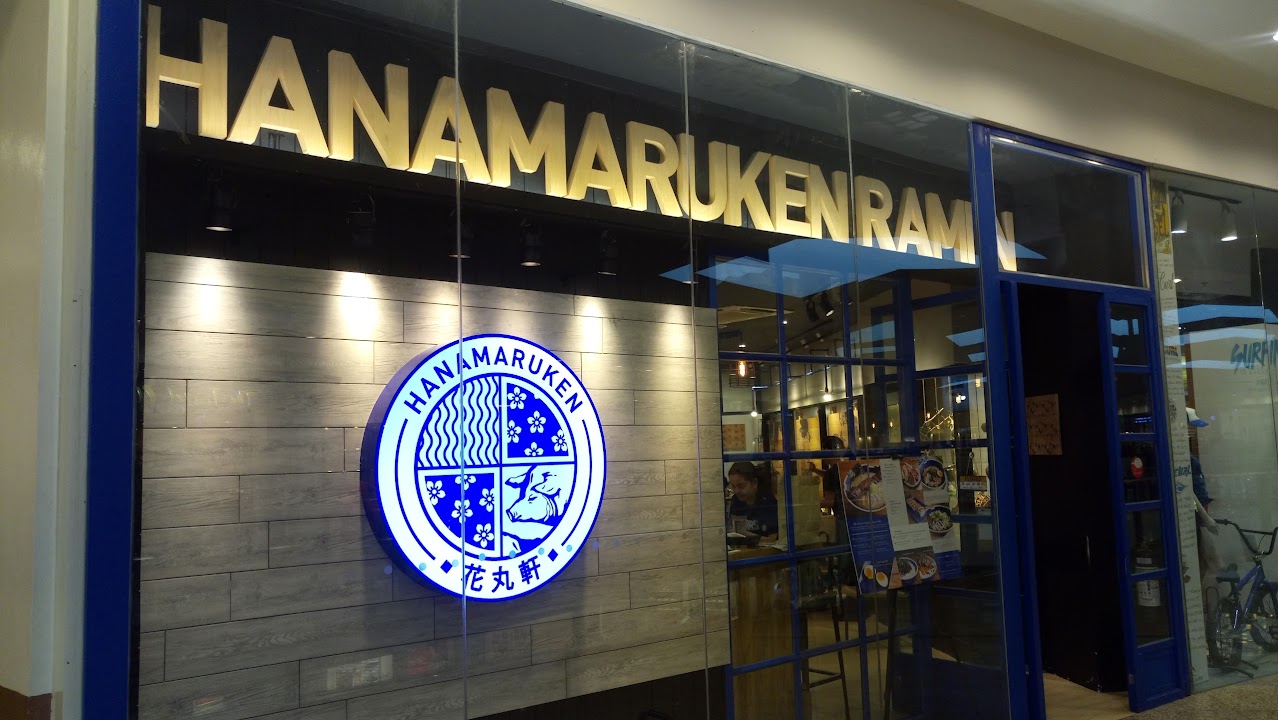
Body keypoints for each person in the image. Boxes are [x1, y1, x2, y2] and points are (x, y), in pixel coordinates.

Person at [726, 461, 779, 541]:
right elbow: (731, 529)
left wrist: (745, 535)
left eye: (741, 486)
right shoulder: (736, 501)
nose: (736, 491)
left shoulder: (768, 503)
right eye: (733, 486)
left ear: (754, 483)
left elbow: (773, 539)